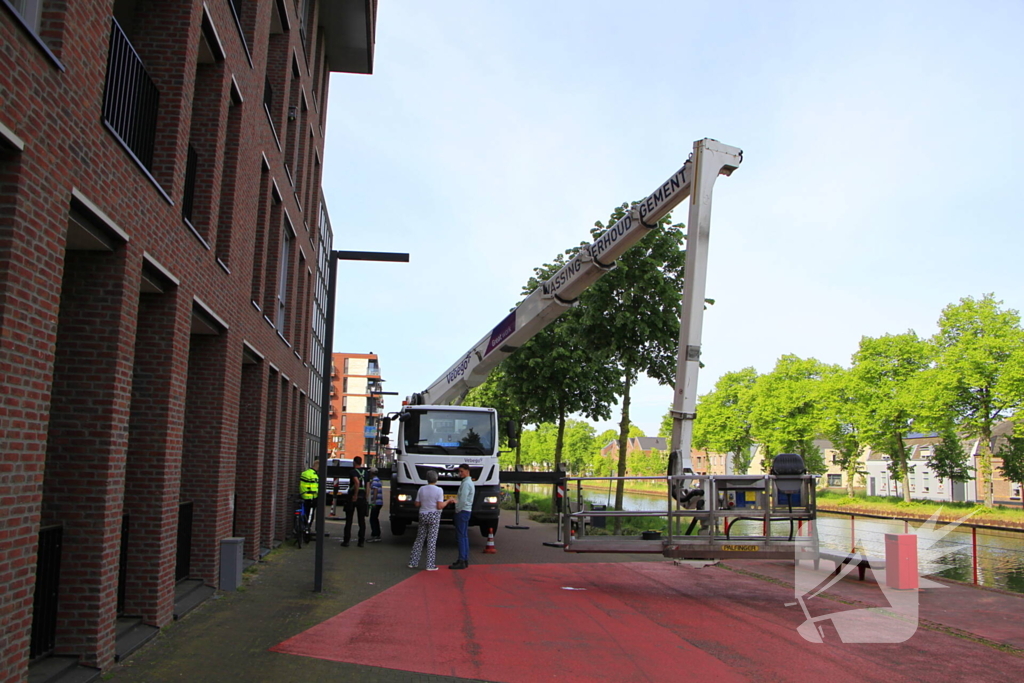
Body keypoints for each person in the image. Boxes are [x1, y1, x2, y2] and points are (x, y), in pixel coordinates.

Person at [408, 469, 453, 571]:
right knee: (431, 540)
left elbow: (417, 504)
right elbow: (439, 506)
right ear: (436, 479)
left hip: (423, 514)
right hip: (434, 515)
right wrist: (448, 501)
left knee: (419, 539)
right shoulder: (439, 490)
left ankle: (413, 562)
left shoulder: (421, 489)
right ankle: (430, 564)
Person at [449, 463, 475, 570]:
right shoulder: (469, 482)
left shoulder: (465, 484)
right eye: (459, 471)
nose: (459, 473)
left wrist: (457, 509)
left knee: (460, 536)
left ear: (467, 471)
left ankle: (461, 560)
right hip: (467, 510)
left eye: (461, 471)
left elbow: (463, 499)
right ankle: (464, 559)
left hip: (462, 511)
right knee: (464, 536)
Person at [341, 456, 367, 547]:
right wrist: (366, 497)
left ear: (354, 462)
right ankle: (361, 541)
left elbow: (356, 482)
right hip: (362, 497)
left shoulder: (353, 472)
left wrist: (355, 495)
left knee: (349, 519)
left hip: (353, 497)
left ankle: (346, 540)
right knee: (361, 520)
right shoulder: (365, 472)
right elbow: (368, 485)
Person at [299, 459, 319, 540]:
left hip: (303, 496)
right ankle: (307, 533)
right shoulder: (314, 475)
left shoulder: (305, 473)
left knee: (304, 514)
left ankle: (302, 530)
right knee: (310, 516)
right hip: (311, 498)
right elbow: (315, 488)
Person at [367, 467, 384, 542]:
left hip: (376, 502)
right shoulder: (378, 479)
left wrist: (373, 502)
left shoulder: (374, 481)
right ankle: (376, 534)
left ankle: (375, 535)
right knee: (375, 518)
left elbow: (375, 491)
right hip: (379, 502)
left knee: (373, 519)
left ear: (371, 473)